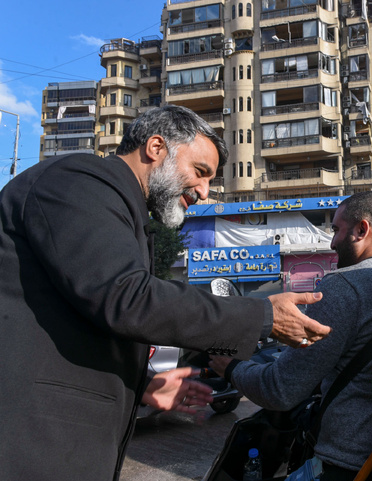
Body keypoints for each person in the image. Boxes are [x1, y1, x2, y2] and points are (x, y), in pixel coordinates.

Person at [0, 105, 331, 481]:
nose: (205, 192)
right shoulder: (79, 181)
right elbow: (128, 298)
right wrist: (262, 315)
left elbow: (73, 324)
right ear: (156, 147)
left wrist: (140, 387)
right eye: (200, 172)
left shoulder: (124, 211)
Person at [210, 192, 372, 481]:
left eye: (337, 230)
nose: (332, 241)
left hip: (350, 465)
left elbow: (279, 389)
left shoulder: (344, 286)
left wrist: (232, 367)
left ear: (362, 230)